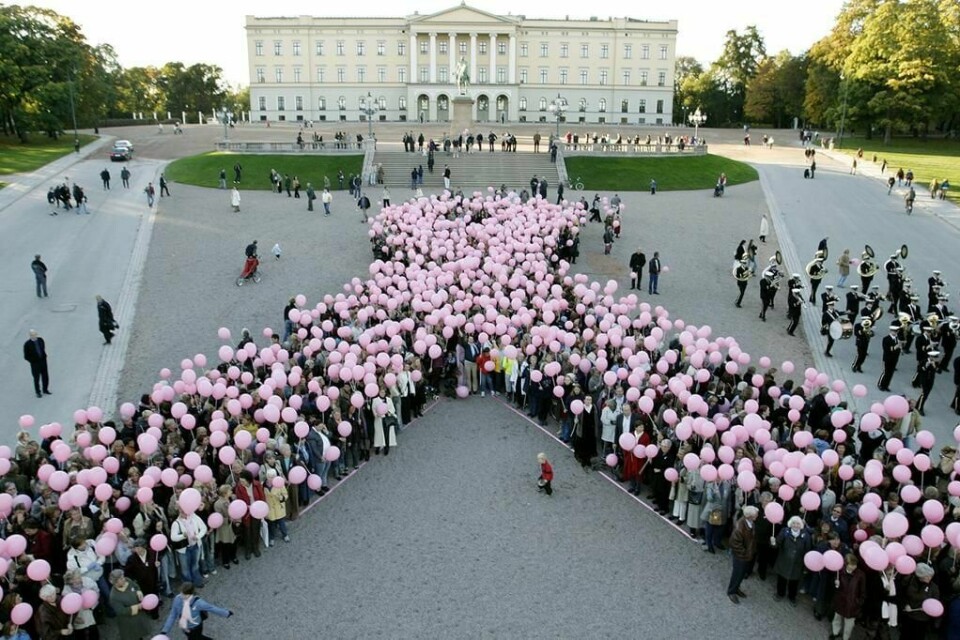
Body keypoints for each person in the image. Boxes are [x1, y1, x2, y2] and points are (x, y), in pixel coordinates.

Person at [161, 582, 233, 640]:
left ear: (191, 594)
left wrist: (226, 613)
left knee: (195, 637)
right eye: (181, 593)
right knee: (197, 638)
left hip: (195, 628)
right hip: (185, 628)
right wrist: (165, 630)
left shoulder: (199, 603)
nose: (181, 596)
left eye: (184, 595)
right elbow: (172, 615)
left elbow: (212, 608)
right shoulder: (177, 598)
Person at [773, 515, 812, 606]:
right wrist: (773, 542)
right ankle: (780, 594)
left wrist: (806, 566)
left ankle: (792, 597)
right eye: (793, 523)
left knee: (794, 582)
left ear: (801, 525)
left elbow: (808, 551)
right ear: (790, 524)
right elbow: (777, 544)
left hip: (797, 564)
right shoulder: (784, 532)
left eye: (798, 523)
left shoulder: (805, 535)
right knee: (781, 579)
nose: (795, 525)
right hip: (784, 561)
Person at [107, 569, 153, 640]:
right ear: (116, 582)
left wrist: (138, 591)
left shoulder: (127, 581)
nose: (124, 579)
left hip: (139, 616)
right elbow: (121, 611)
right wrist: (137, 607)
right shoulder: (114, 596)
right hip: (128, 622)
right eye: (121, 578)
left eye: (123, 576)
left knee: (140, 635)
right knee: (134, 636)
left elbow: (136, 586)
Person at [727, 505, 758, 604]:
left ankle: (736, 588)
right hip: (741, 556)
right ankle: (731, 591)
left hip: (746, 554)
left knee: (741, 574)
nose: (757, 516)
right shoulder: (740, 527)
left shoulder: (750, 523)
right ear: (750, 516)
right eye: (755, 515)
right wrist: (744, 553)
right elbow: (734, 543)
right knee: (737, 574)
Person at [831, 554, 866, 640]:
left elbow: (863, 590)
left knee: (849, 624)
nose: (853, 567)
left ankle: (846, 638)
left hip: (852, 604)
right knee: (837, 619)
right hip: (840, 601)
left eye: (854, 565)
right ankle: (835, 633)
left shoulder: (861, 575)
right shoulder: (840, 572)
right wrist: (836, 585)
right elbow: (835, 587)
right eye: (851, 564)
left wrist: (858, 602)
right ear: (846, 564)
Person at [23, 329, 50, 398]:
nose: (34, 336)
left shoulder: (40, 340)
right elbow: (26, 356)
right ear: (30, 336)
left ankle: (45, 389)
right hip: (35, 364)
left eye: (35, 334)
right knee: (36, 378)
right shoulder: (27, 344)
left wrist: (44, 356)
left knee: (45, 376)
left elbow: (43, 348)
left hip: (43, 361)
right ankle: (38, 392)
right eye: (32, 335)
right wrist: (33, 361)